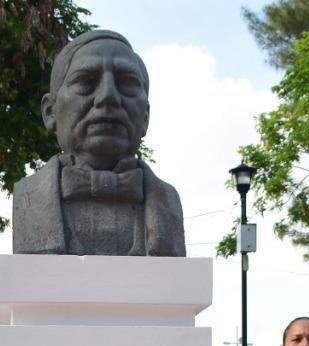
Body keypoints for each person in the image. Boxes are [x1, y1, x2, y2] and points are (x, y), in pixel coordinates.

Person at [12, 29, 185, 256]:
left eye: (127, 83)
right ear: (50, 112)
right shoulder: (27, 198)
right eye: (86, 81)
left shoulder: (169, 203)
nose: (108, 96)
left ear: (145, 117)